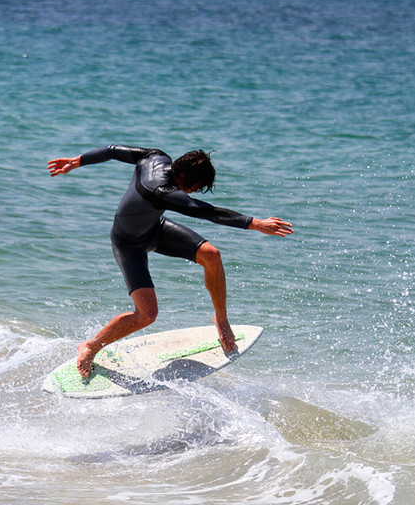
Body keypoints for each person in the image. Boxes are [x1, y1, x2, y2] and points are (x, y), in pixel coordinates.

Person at [47, 145, 293, 378]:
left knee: (212, 255)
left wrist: (78, 161)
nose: (195, 190)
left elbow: (112, 151)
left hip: (156, 229)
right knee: (147, 315)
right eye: (195, 185)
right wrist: (255, 223)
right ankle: (90, 346)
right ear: (183, 174)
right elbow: (206, 211)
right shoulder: (161, 191)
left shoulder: (155, 156)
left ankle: (220, 318)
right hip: (128, 244)